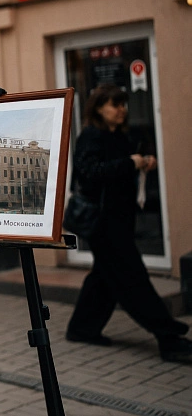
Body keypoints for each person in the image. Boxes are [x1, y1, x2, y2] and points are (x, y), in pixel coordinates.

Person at [65, 84, 192, 363]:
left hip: (120, 221)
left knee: (105, 279)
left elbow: (126, 164)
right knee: (133, 280)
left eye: (123, 104)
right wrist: (129, 164)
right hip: (103, 224)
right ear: (99, 108)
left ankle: (81, 329)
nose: (122, 109)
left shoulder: (120, 136)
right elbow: (89, 174)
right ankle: (169, 337)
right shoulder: (91, 136)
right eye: (115, 104)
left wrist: (145, 161)